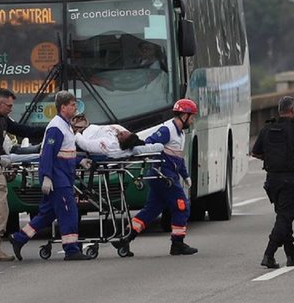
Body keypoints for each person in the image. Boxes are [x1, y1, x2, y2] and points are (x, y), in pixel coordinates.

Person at [9, 91, 93, 261]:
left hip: (62, 176)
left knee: (47, 214)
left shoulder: (65, 125)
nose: (75, 108)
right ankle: (71, 250)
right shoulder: (56, 127)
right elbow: (47, 154)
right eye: (72, 105)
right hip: (57, 178)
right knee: (69, 211)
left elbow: (65, 152)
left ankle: (19, 238)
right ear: (63, 107)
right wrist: (47, 176)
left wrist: (80, 161)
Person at [120, 99, 199, 256]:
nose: (193, 120)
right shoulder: (167, 130)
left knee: (152, 210)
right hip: (163, 177)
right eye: (192, 116)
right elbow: (149, 144)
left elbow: (178, 158)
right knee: (182, 206)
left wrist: (185, 175)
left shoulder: (180, 133)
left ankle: (125, 238)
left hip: (165, 176)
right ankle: (177, 244)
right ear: (184, 115)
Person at [251, 96, 294, 269]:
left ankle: (292, 255)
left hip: (272, 179)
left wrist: (272, 158)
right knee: (285, 217)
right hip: (291, 179)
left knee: (283, 215)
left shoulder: (267, 128)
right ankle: (269, 254)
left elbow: (256, 152)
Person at [0, 86, 44, 261]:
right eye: (9, 106)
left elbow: (22, 130)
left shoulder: (3, 120)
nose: (11, 109)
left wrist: (48, 129)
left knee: (0, 206)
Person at [72, 113, 146, 155]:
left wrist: (77, 133)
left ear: (122, 142)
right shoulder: (125, 133)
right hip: (89, 126)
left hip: (81, 133)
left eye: (122, 135)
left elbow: (86, 145)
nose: (121, 132)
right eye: (126, 132)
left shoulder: (109, 144)